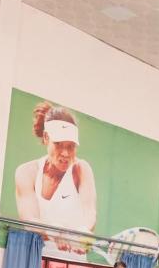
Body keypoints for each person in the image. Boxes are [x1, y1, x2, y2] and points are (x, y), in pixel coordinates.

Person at [13, 102, 97, 255]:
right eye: (58, 144)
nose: (65, 153)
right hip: (34, 256)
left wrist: (83, 231)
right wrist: (54, 231)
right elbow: (28, 218)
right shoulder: (26, 172)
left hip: (73, 259)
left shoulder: (81, 169)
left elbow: (89, 211)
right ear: (46, 137)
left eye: (71, 146)